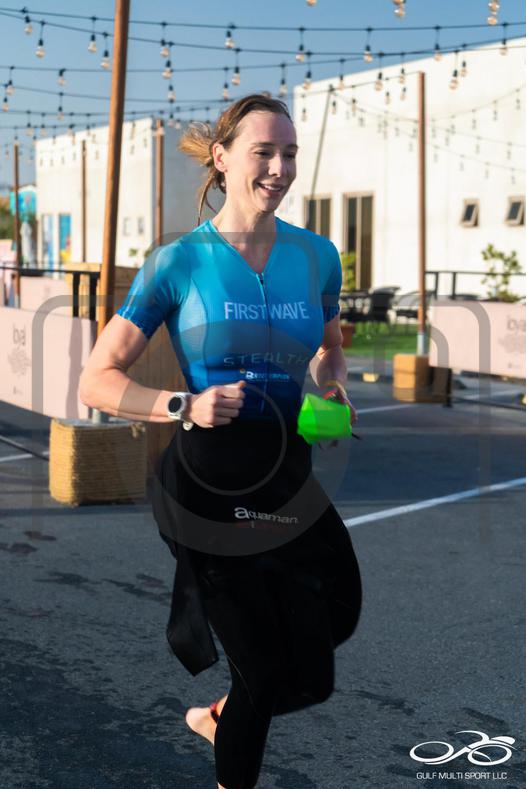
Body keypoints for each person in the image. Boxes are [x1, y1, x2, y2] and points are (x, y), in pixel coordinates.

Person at [79, 93, 362, 789]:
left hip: (285, 469)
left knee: (333, 621)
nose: (279, 168)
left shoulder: (318, 256)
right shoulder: (179, 261)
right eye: (263, 152)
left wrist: (332, 388)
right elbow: (96, 379)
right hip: (206, 479)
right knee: (261, 665)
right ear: (223, 158)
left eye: (289, 153)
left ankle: (223, 715)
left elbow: (328, 350)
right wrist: (184, 403)